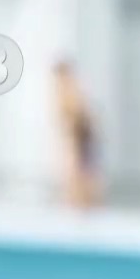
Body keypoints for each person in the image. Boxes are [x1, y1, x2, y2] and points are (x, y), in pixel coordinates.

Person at [52, 61, 101, 207]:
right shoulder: (69, 95)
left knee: (82, 181)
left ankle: (81, 201)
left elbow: (78, 125)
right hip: (80, 142)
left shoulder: (71, 95)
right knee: (81, 180)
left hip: (81, 141)